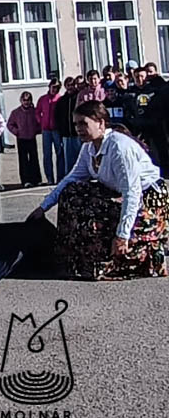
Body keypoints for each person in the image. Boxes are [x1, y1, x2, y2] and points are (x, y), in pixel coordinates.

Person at [28, 101, 168, 281]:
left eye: (83, 123)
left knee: (95, 213)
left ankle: (107, 259)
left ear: (101, 123)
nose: (78, 129)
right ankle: (72, 257)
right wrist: (43, 207)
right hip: (119, 192)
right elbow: (70, 179)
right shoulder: (88, 148)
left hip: (148, 197)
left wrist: (122, 235)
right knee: (72, 193)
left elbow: (132, 193)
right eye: (76, 124)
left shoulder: (119, 147)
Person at [7, 91, 42, 188]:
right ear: (21, 101)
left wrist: (36, 130)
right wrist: (16, 131)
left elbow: (40, 123)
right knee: (23, 161)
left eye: (28, 100)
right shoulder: (16, 112)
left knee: (34, 159)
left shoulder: (34, 111)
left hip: (31, 138)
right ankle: (25, 180)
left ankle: (36, 179)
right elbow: (10, 124)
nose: (26, 102)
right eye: (24, 100)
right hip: (21, 139)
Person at [35, 79, 63, 185]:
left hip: (56, 130)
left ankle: (60, 177)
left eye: (57, 88)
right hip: (46, 130)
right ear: (49, 87)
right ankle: (49, 178)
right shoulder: (43, 99)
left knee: (59, 153)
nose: (55, 89)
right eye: (53, 87)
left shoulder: (60, 99)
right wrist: (41, 121)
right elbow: (37, 112)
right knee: (47, 154)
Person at [54, 76, 81, 180]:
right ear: (65, 86)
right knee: (68, 158)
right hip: (66, 134)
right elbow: (57, 117)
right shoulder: (61, 101)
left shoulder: (78, 98)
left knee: (79, 157)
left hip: (77, 133)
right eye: (68, 85)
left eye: (72, 85)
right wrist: (61, 131)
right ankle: (69, 178)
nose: (70, 87)